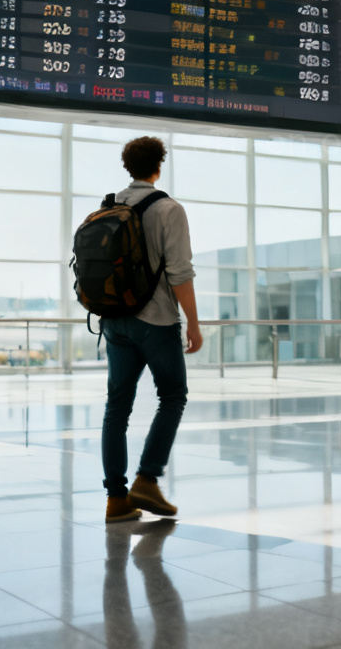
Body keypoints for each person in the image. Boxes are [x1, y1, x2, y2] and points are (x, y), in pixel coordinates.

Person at [102, 136, 203, 523]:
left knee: (117, 408)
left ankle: (116, 500)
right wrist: (193, 321)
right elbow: (179, 271)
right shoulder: (168, 209)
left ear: (129, 167)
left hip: (114, 320)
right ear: (158, 166)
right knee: (173, 395)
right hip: (156, 318)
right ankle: (147, 478)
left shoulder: (109, 207)